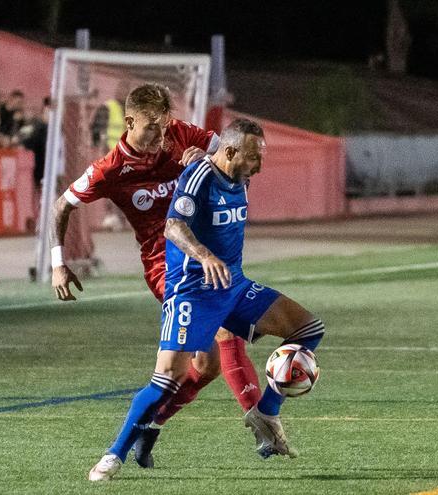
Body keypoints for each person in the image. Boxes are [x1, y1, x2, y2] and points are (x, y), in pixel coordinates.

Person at [88, 118, 326, 481]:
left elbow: (213, 148)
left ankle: (266, 411)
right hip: (193, 291)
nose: (258, 166)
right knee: (167, 378)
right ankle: (112, 455)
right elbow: (173, 226)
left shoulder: (237, 173)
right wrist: (203, 254)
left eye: (260, 157)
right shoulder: (199, 177)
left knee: (309, 328)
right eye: (252, 157)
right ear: (230, 153)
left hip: (234, 287)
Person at [49, 83, 262, 469]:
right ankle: (262, 421)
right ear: (129, 122)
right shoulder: (109, 170)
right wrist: (57, 263)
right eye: (152, 128)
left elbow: (233, 155)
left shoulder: (180, 133)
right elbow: (61, 205)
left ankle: (152, 424)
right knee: (223, 330)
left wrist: (209, 157)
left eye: (165, 127)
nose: (162, 137)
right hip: (165, 265)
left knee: (209, 365)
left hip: (206, 251)